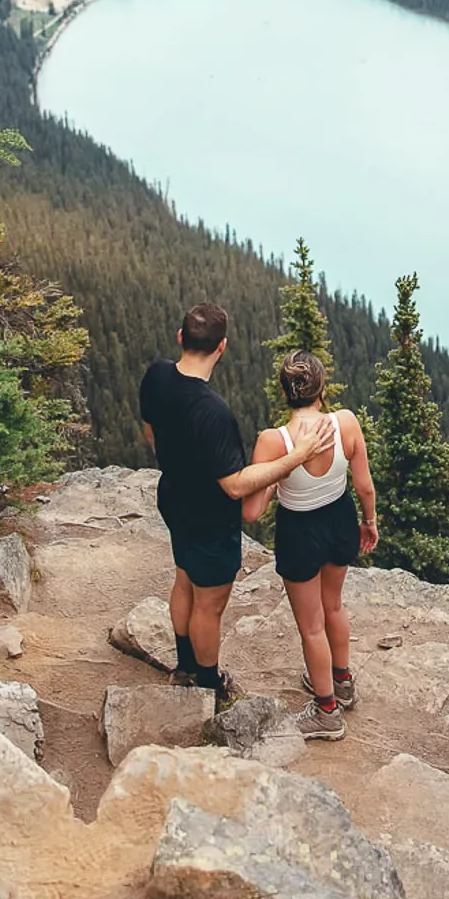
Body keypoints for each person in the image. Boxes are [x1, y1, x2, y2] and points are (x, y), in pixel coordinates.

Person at [139, 303, 333, 709]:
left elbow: (150, 428)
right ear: (222, 347)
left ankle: (184, 664)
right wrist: (295, 457)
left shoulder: (156, 375)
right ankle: (208, 686)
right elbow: (233, 486)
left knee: (183, 580)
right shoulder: (214, 411)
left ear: (181, 337)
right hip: (210, 518)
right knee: (209, 607)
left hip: (173, 499)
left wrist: (170, 461)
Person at [242, 350, 378, 740]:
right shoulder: (346, 422)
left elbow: (252, 510)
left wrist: (275, 475)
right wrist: (368, 523)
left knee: (311, 627)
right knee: (334, 605)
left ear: (284, 391)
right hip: (339, 521)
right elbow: (365, 486)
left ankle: (326, 712)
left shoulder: (274, 441)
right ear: (321, 386)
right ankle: (343, 682)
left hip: (299, 532)